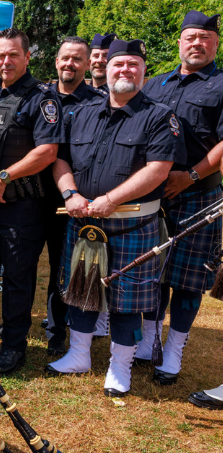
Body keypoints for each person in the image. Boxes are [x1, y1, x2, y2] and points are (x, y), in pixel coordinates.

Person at [47, 39, 182, 397]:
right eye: (118, 65)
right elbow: (60, 159)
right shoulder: (83, 112)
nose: (125, 70)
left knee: (127, 301)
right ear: (105, 71)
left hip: (132, 223)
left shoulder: (159, 116)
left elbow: (158, 170)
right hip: (84, 219)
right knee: (81, 290)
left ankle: (120, 367)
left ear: (143, 72)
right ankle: (79, 355)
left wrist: (111, 200)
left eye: (133, 65)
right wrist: (70, 194)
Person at [0, 28, 62, 375]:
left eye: (13, 55)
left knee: (18, 278)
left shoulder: (41, 98)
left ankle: (14, 346)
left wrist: (6, 176)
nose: (6, 61)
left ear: (27, 57)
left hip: (21, 206)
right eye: (1, 55)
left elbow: (47, 151)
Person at [136, 11, 223, 384]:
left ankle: (173, 351)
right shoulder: (154, 84)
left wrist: (189, 176)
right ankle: (150, 341)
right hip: (156, 195)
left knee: (188, 279)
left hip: (198, 194)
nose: (197, 44)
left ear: (215, 43)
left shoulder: (222, 85)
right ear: (180, 42)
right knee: (152, 273)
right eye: (191, 37)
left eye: (205, 38)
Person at [41, 37, 109, 354]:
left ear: (87, 64)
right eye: (65, 58)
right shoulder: (39, 96)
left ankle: (57, 331)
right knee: (21, 267)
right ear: (57, 61)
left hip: (71, 200)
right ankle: (17, 323)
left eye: (78, 59)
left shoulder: (98, 103)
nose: (70, 64)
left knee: (62, 268)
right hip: (30, 196)